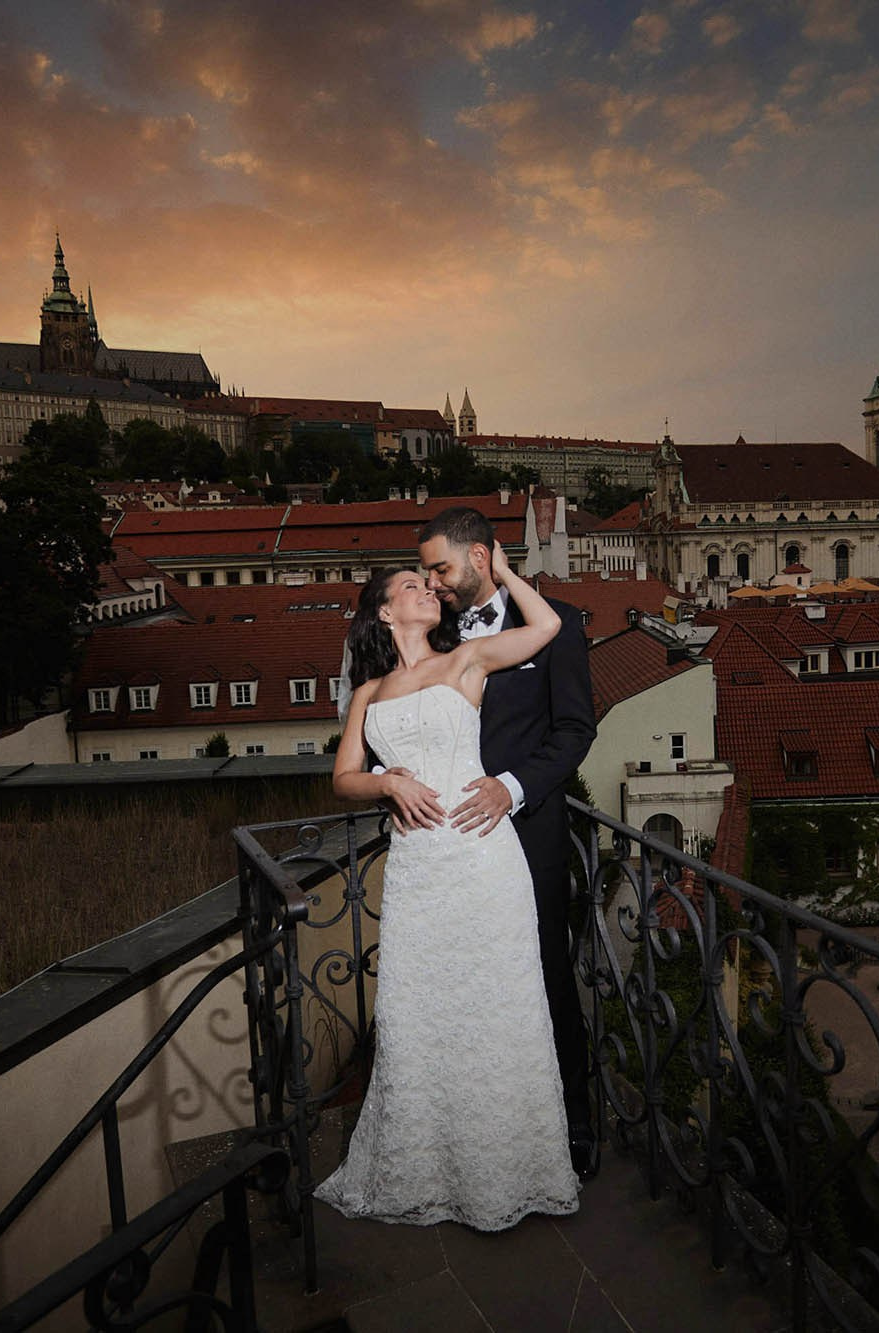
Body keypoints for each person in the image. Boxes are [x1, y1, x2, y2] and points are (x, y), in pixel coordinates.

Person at [316, 543, 579, 1230]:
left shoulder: (466, 659)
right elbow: (343, 778)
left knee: (500, 1010)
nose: (427, 589)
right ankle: (432, 1167)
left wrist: (502, 573)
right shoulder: (369, 694)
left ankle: (511, 1171)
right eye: (411, 584)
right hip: (416, 871)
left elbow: (547, 627)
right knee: (417, 1015)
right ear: (384, 608)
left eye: (430, 580)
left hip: (482, 859)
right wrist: (386, 780)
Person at [415, 506, 600, 1179]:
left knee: (547, 974)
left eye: (440, 567)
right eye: (426, 571)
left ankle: (575, 1122)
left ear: (480, 557)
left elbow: (576, 731)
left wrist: (512, 787)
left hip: (528, 835)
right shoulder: (428, 635)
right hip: (452, 845)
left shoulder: (557, 624)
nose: (431, 582)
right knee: (473, 982)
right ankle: (490, 1125)